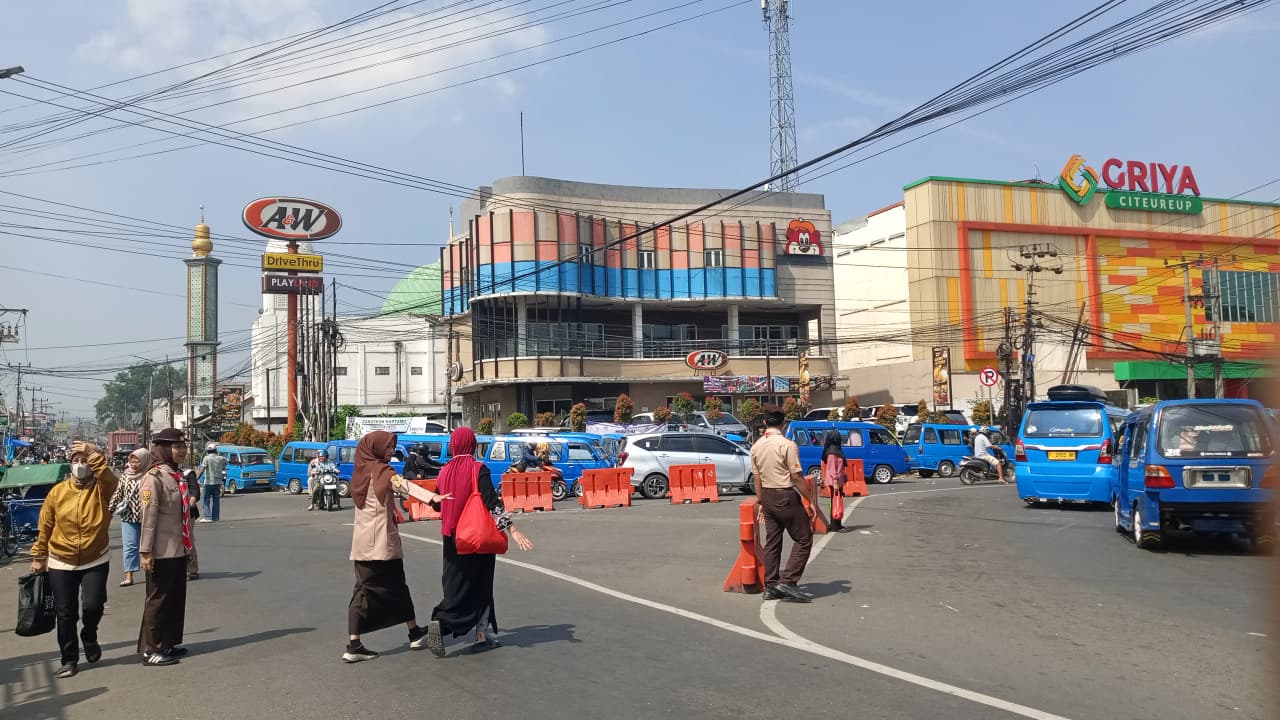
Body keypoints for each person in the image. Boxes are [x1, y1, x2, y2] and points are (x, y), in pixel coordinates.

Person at [426, 427, 533, 658]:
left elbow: (436, 503)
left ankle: (442, 621)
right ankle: (481, 636)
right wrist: (512, 529)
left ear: (454, 445)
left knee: (456, 585)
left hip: (451, 538)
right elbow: (492, 502)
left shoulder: (444, 471)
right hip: (476, 537)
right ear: (472, 444)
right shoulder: (478, 469)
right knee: (482, 585)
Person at [344, 431, 449, 663]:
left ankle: (410, 633)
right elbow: (403, 485)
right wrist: (431, 498)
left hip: (363, 544)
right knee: (382, 589)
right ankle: (356, 645)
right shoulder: (383, 472)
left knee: (377, 589)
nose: (391, 450)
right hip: (382, 543)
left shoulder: (359, 473)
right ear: (375, 448)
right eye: (388, 447)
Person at [28, 441, 120, 678]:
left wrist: (92, 453)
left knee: (93, 606)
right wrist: (39, 555)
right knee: (65, 612)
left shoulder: (102, 489)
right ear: (69, 465)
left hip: (95, 557)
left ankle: (89, 636)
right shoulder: (57, 492)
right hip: (61, 559)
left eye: (84, 461)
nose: (80, 465)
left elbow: (111, 480)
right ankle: (69, 659)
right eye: (76, 461)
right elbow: (46, 525)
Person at [137, 428, 193, 667]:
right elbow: (148, 518)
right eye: (176, 447)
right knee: (158, 600)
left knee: (175, 598)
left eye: (183, 446)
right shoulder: (154, 478)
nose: (181, 451)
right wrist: (145, 551)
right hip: (160, 550)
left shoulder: (176, 475)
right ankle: (151, 649)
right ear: (163, 449)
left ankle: (168, 642)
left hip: (178, 548)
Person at [751, 411, 815, 603]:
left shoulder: (756, 446)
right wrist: (810, 500)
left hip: (767, 495)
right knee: (804, 538)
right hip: (784, 494)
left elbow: (757, 478)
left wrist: (761, 501)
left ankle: (771, 585)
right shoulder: (787, 445)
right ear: (784, 423)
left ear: (764, 422)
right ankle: (788, 581)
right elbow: (796, 476)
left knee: (773, 542)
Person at [108, 448, 150, 587]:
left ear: (144, 461)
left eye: (137, 461)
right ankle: (129, 576)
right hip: (128, 517)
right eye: (132, 461)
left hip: (147, 517)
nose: (134, 464)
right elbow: (118, 493)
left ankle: (152, 574)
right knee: (130, 546)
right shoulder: (125, 476)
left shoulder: (151, 476)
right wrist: (110, 510)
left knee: (149, 547)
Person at [820, 430, 846, 532]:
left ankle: (838, 524)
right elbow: (832, 468)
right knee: (835, 502)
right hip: (834, 481)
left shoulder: (837, 450)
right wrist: (835, 481)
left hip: (838, 480)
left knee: (837, 501)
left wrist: (844, 475)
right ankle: (835, 526)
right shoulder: (832, 452)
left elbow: (840, 466)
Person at [195, 443, 225, 522]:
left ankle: (207, 517)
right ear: (216, 450)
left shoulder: (206, 458)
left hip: (208, 482)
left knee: (206, 499)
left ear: (208, 451)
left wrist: (196, 479)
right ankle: (216, 517)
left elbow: (202, 470)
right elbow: (226, 463)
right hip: (218, 482)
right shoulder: (221, 458)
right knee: (216, 500)